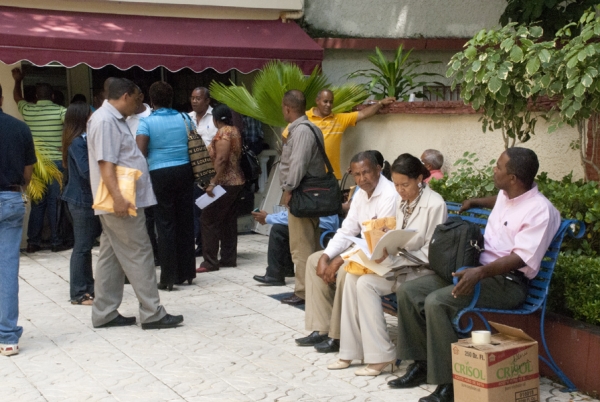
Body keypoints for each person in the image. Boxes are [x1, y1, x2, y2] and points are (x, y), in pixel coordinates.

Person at [389, 147, 560, 402]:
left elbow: (520, 258)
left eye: (499, 167)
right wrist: (477, 202)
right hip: (477, 270)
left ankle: (449, 385)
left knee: (437, 302)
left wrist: (479, 273)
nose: (495, 168)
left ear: (513, 177)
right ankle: (422, 365)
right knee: (408, 291)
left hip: (507, 283)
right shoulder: (508, 193)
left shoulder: (540, 212)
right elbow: (500, 202)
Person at [328, 153, 447, 376]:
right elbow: (397, 236)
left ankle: (381, 356)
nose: (400, 191)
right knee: (354, 278)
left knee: (366, 284)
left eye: (405, 185)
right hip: (399, 264)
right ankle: (351, 350)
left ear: (419, 179)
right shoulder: (404, 202)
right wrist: (383, 244)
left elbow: (431, 251)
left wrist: (395, 253)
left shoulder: (434, 204)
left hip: (419, 271)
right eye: (397, 185)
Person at [87, 78, 183, 330]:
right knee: (140, 252)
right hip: (120, 200)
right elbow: (105, 164)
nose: (140, 106)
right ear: (127, 95)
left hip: (118, 198)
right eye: (138, 99)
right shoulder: (106, 121)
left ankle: (104, 312)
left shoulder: (110, 119)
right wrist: (118, 197)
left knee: (111, 256)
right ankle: (153, 313)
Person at [296, 151, 398, 351]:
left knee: (345, 270)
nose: (362, 179)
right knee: (314, 260)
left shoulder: (390, 195)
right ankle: (322, 327)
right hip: (361, 247)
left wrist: (338, 260)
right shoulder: (361, 194)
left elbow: (378, 242)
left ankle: (339, 336)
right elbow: (347, 230)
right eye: (357, 174)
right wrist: (326, 257)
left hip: (381, 253)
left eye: (366, 173)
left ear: (378, 169)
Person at [136, 81, 196, 289]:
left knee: (165, 224)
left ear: (152, 100)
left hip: (159, 173)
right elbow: (193, 144)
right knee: (185, 220)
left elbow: (140, 152)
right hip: (185, 171)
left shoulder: (146, 122)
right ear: (171, 99)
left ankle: (168, 276)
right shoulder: (185, 118)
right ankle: (187, 272)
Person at [277, 90, 327, 306]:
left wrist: (288, 190)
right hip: (307, 193)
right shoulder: (308, 129)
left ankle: (304, 291)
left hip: (302, 194)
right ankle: (312, 287)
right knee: (310, 242)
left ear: (287, 108)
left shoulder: (302, 132)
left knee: (301, 245)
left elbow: (297, 164)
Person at [12, 67, 69, 253]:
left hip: (36, 164)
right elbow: (72, 127)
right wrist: (65, 147)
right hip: (56, 163)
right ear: (52, 95)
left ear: (36, 95)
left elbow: (17, 98)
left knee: (38, 203)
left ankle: (33, 242)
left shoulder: (27, 109)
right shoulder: (61, 111)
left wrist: (17, 81)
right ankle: (55, 241)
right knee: (55, 202)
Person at [282, 89, 395, 178]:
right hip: (309, 176)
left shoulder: (339, 119)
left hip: (332, 176)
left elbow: (363, 114)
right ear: (317, 101)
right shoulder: (305, 118)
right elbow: (286, 137)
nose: (328, 105)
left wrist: (380, 103)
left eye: (331, 102)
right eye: (325, 101)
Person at [0, 83, 37, 356]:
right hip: (11, 198)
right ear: (1, 98)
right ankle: (7, 337)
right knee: (7, 268)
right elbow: (27, 174)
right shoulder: (19, 128)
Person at [61, 101, 101, 306]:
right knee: (82, 247)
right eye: (89, 115)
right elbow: (87, 172)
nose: (92, 117)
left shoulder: (80, 140)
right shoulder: (77, 142)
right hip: (81, 201)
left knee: (85, 245)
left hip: (85, 200)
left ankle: (89, 287)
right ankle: (78, 292)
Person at [197, 104, 245, 273]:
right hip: (236, 181)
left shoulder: (224, 132)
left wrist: (212, 182)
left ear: (215, 119)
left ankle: (210, 261)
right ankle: (228, 258)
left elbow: (222, 159)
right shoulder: (235, 130)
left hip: (224, 183)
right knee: (228, 221)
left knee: (208, 219)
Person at [251, 210, 339, 286]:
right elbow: (291, 213)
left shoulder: (305, 193)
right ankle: (285, 270)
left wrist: (268, 218)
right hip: (322, 226)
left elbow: (295, 214)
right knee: (281, 227)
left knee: (278, 230)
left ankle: (275, 275)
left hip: (321, 229)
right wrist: (270, 217)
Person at [189, 87, 217, 257]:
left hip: (211, 171)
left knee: (208, 211)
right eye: (192, 98)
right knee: (195, 210)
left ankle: (208, 245)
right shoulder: (187, 118)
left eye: (198, 98)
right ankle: (199, 244)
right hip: (192, 172)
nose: (194, 101)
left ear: (207, 101)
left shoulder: (215, 118)